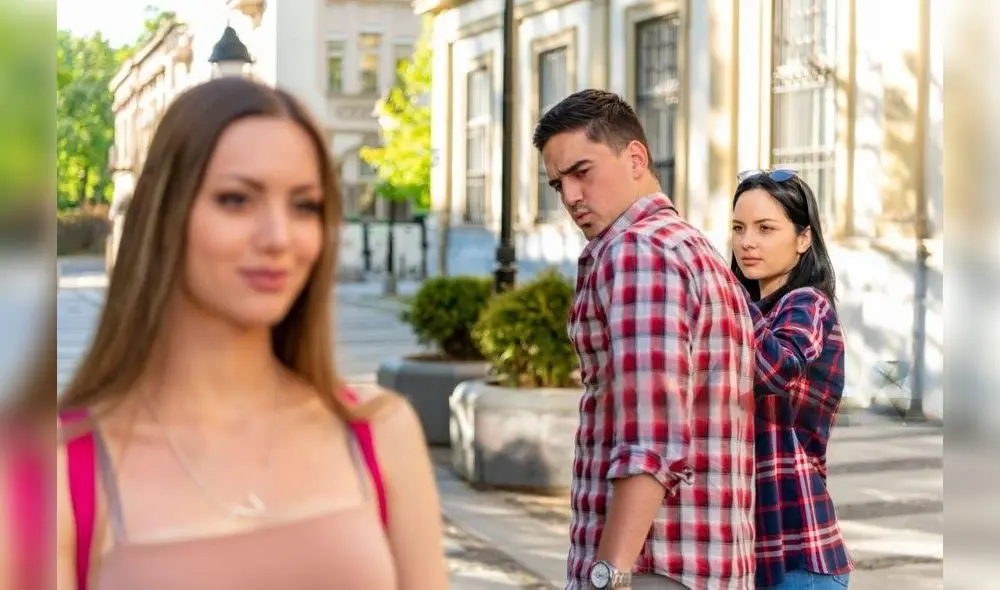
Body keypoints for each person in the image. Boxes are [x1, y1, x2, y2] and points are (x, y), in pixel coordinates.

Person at [55, 77, 448, 590]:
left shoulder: (382, 432)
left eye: (304, 205)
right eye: (237, 199)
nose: (278, 238)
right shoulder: (57, 469)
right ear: (164, 213)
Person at [533, 88, 756, 590]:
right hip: (706, 563)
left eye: (582, 172)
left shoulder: (639, 252)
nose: (570, 197)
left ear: (636, 158)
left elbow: (649, 443)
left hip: (653, 567)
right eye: (558, 184)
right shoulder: (692, 247)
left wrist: (607, 577)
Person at [730, 168, 853, 589]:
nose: (747, 242)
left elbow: (774, 369)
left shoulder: (807, 304)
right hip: (750, 546)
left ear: (803, 238)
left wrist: (725, 292)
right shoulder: (751, 313)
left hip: (799, 552)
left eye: (765, 228)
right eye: (739, 228)